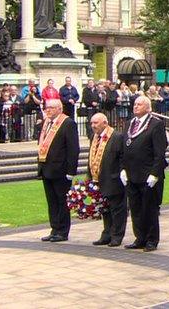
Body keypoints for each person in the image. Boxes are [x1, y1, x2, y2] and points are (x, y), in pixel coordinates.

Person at [122, 95, 168, 252]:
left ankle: (151, 239)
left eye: (140, 104)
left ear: (148, 108)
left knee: (149, 209)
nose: (136, 107)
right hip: (131, 174)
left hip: (148, 175)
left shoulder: (156, 124)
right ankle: (139, 237)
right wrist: (123, 168)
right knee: (135, 208)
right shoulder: (129, 123)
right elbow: (124, 148)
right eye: (135, 104)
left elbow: (159, 152)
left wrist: (155, 173)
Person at [37, 99, 79, 242]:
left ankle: (62, 231)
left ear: (59, 109)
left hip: (61, 170)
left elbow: (73, 149)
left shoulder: (68, 123)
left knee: (62, 201)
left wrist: (71, 171)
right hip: (46, 168)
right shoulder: (47, 123)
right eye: (46, 108)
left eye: (51, 108)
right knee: (52, 201)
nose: (47, 110)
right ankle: (54, 228)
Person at [87, 112, 126, 247]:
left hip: (114, 179)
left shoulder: (117, 136)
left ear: (105, 123)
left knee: (117, 210)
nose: (93, 126)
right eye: (91, 123)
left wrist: (121, 174)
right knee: (105, 210)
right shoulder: (94, 137)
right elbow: (91, 158)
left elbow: (122, 158)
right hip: (99, 179)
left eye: (95, 123)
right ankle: (106, 234)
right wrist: (89, 177)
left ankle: (117, 236)